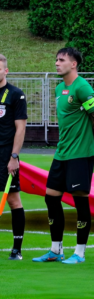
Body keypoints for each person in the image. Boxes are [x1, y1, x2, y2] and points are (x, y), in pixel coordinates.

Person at [33, 48, 94, 264]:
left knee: (80, 199)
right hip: (62, 152)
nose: (56, 63)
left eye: (61, 60)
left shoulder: (82, 87)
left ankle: (79, 253)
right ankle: (56, 250)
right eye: (56, 59)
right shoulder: (59, 88)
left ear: (73, 64)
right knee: (51, 197)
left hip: (81, 153)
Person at [0, 54, 27, 260]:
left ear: (6, 71)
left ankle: (17, 249)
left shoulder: (16, 95)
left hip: (5, 155)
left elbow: (20, 128)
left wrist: (14, 157)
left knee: (13, 201)